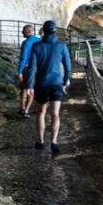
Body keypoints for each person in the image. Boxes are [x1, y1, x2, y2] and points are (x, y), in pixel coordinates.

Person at [23, 20, 71, 154]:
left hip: (41, 84)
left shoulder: (36, 46)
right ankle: (54, 142)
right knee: (55, 114)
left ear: (43, 31)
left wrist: (29, 85)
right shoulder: (61, 46)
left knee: (41, 112)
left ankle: (40, 141)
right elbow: (68, 66)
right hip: (56, 84)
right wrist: (66, 80)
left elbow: (32, 67)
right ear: (55, 31)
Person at [17, 25, 40, 118]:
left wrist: (19, 71)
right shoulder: (39, 41)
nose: (22, 33)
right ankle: (34, 107)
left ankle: (24, 109)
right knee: (34, 88)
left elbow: (23, 58)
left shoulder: (26, 43)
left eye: (23, 31)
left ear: (28, 31)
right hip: (38, 68)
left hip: (27, 68)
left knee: (25, 89)